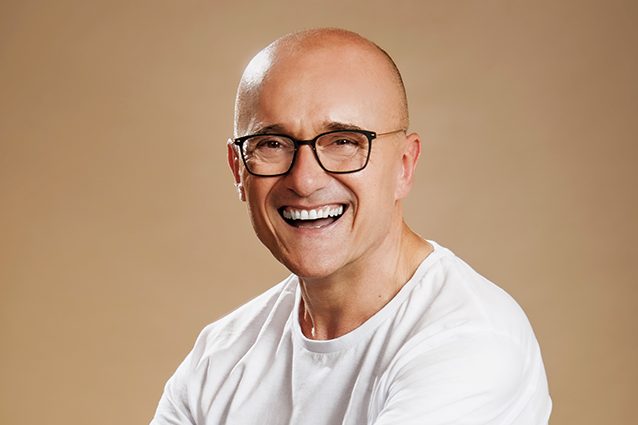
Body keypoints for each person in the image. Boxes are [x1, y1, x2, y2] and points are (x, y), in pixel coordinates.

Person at [151, 28, 552, 425]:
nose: (304, 180)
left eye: (343, 142)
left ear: (404, 165)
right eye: (272, 144)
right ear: (238, 169)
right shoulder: (219, 356)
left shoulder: (470, 340)